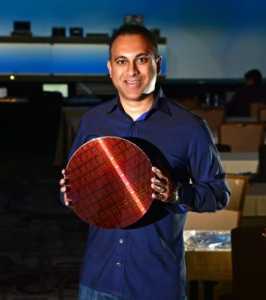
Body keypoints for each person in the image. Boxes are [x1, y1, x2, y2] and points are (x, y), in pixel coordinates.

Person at [60, 24, 230, 300]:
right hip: (98, 279)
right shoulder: (93, 121)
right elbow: (70, 186)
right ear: (110, 68)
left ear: (157, 64)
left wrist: (176, 192)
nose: (131, 71)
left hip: (156, 283)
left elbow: (218, 194)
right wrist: (69, 193)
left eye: (141, 59)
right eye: (121, 61)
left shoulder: (189, 127)